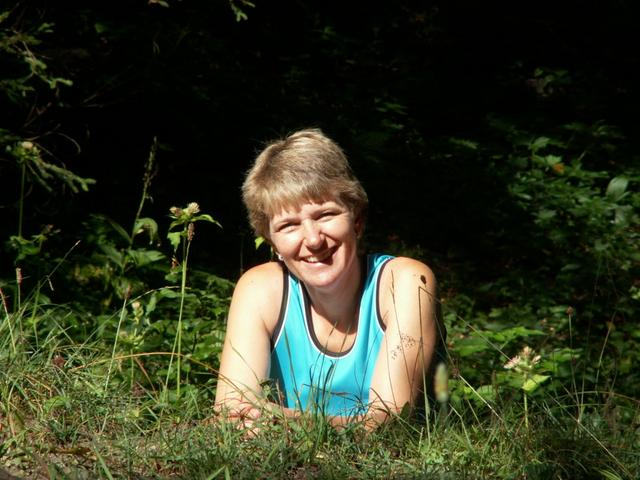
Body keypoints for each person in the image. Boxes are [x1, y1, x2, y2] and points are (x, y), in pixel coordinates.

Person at [215, 129, 444, 430]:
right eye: (289, 225)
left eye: (325, 215)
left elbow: (390, 423)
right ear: (272, 242)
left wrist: (283, 419)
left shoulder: (406, 283)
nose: (313, 240)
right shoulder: (259, 290)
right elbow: (232, 417)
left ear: (356, 220)